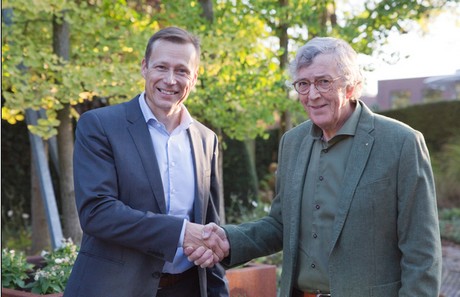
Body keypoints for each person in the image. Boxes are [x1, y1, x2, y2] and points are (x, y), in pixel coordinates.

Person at [187, 37, 442, 297]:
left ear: (352, 86)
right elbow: (280, 224)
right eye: (303, 84)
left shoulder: (401, 142)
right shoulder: (292, 143)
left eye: (324, 82)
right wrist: (227, 240)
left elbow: (422, 252)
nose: (312, 94)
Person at [64, 26, 229, 297]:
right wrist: (182, 233)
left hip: (187, 289)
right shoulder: (100, 125)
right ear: (144, 68)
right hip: (115, 289)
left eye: (182, 70)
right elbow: (97, 213)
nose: (170, 79)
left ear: (195, 77)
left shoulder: (206, 139)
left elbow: (210, 225)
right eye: (161, 67)